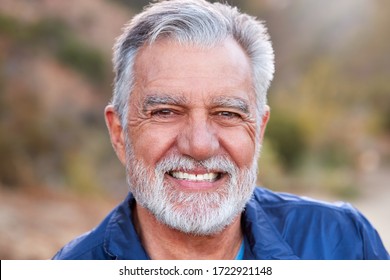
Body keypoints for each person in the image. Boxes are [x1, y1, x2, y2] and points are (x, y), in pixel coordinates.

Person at [52, 0, 389, 260]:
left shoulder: (343, 243)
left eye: (227, 113)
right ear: (119, 133)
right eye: (166, 111)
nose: (199, 145)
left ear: (259, 129)